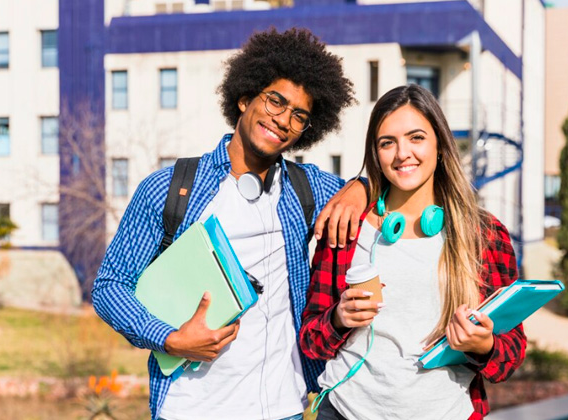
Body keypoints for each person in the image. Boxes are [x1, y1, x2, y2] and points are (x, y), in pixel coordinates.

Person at [92, 28, 367, 420]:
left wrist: (360, 186)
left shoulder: (309, 188)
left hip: (283, 407)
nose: (283, 120)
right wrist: (170, 339)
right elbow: (109, 287)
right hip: (189, 409)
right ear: (244, 97)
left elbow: (386, 191)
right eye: (276, 101)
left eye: (299, 116)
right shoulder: (170, 189)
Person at [300, 84, 526, 420]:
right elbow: (311, 341)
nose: (402, 152)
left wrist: (484, 346)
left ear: (439, 146)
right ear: (376, 154)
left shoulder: (484, 236)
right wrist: (338, 319)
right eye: (387, 143)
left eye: (416, 137)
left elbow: (512, 352)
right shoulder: (347, 228)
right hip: (347, 411)